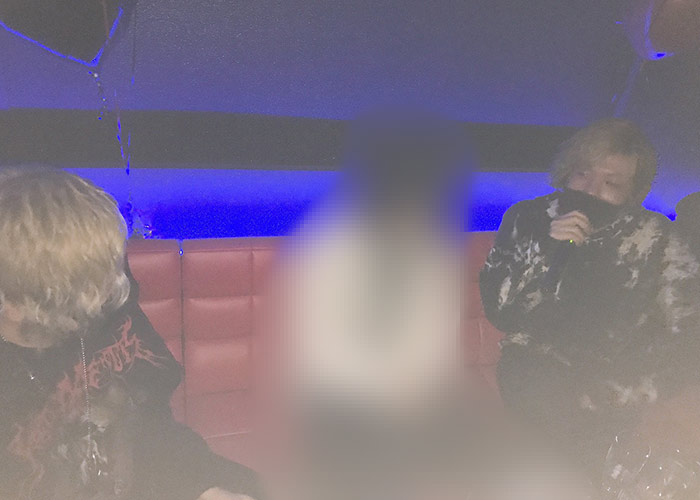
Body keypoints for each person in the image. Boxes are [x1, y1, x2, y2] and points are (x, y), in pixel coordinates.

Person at [0, 167, 262, 500]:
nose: (109, 292)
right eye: (78, 286)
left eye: (109, 267)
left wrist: (204, 487)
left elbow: (152, 421)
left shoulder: (107, 306)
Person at [479, 118, 700, 481]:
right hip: (536, 363)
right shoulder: (527, 218)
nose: (592, 191)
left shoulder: (654, 236)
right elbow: (502, 312)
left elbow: (686, 326)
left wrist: (633, 384)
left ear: (632, 192)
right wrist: (547, 250)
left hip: (618, 372)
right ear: (567, 171)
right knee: (557, 421)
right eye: (583, 173)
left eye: (611, 183)